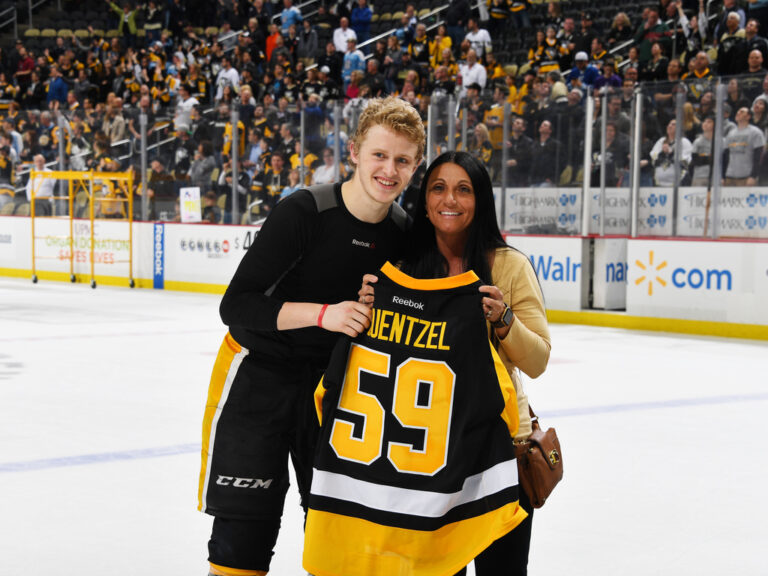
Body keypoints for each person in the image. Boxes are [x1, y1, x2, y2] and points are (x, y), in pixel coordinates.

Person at [197, 96, 425, 576]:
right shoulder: (304, 211)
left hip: (338, 391)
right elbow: (236, 306)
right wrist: (325, 314)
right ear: (354, 152)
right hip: (258, 379)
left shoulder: (405, 234)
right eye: (379, 155)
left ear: (415, 165)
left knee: (333, 532)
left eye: (402, 160)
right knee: (243, 535)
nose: (389, 170)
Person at [355, 151, 551, 575]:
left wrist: (504, 319)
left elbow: (537, 361)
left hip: (501, 450)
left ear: (481, 200)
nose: (451, 199)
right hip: (428, 454)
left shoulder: (510, 265)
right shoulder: (404, 270)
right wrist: (368, 312)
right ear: (424, 202)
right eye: (439, 188)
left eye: (464, 189)